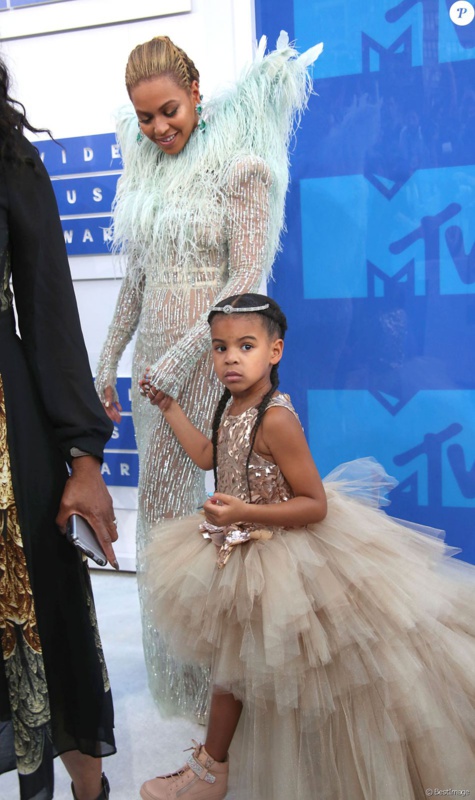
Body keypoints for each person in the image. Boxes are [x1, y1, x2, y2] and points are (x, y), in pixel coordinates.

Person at [140, 292, 475, 800]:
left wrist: (244, 513)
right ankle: (214, 768)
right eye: (219, 347)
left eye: (245, 345)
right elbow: (210, 457)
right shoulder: (229, 404)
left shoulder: (276, 418)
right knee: (236, 664)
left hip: (281, 551)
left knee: (317, 669)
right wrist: (169, 407)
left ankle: (218, 771)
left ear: (274, 352)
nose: (230, 357)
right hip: (237, 546)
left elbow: (313, 504)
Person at [95, 31, 323, 718]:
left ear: (196, 93)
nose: (159, 128)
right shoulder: (144, 174)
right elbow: (135, 280)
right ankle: (180, 683)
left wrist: (184, 356)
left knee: (225, 523)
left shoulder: (241, 165)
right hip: (154, 372)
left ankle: (231, 682)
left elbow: (245, 278)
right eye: (145, 118)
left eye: (169, 110)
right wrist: (108, 359)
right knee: (160, 525)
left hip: (216, 366)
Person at [0, 57, 117, 800]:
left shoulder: (9, 155)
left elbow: (48, 307)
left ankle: (83, 789)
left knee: (42, 610)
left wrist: (83, 454)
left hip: (9, 434)